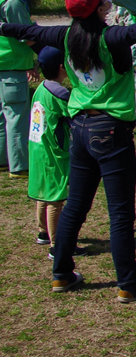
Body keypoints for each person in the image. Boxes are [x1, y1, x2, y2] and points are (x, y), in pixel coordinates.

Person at [0, 0, 136, 301]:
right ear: (101, 7)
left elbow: (26, 31)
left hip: (78, 128)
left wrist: (2, 27)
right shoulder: (109, 37)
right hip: (111, 132)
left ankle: (62, 275)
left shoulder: (64, 36)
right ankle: (129, 285)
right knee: (120, 213)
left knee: (76, 205)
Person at [29, 46, 70, 251]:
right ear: (62, 67)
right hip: (53, 151)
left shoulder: (41, 88)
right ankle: (57, 245)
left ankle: (43, 232)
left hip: (38, 147)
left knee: (44, 192)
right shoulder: (60, 92)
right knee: (56, 197)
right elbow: (73, 116)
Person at [0, 0, 36, 176]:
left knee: (2, 118)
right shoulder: (11, 2)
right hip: (12, 66)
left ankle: (4, 159)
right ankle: (20, 165)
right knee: (16, 117)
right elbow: (28, 36)